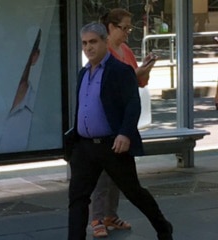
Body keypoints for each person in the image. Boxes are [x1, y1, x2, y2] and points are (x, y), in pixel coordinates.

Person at [67, 22, 173, 240]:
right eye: (84, 43)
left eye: (93, 42)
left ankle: (163, 227)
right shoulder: (83, 73)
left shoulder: (120, 71)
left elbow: (133, 104)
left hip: (112, 145)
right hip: (85, 148)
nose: (88, 48)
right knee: (78, 198)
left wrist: (125, 133)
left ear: (105, 42)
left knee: (134, 192)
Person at [90, 8, 157, 237]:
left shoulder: (126, 50)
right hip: (105, 122)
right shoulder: (103, 50)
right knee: (102, 174)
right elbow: (110, 84)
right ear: (111, 27)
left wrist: (144, 70)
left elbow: (137, 82)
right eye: (125, 28)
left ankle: (110, 214)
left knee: (118, 174)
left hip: (123, 123)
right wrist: (136, 73)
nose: (128, 32)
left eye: (130, 28)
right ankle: (97, 218)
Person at [0, 29, 41, 153]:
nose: (13, 60)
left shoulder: (40, 111)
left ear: (34, 57)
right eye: (6, 52)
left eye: (19, 52)